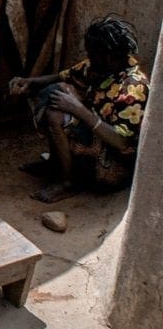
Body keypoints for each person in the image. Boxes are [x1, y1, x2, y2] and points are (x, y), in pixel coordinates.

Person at [10, 15, 149, 203]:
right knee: (56, 92)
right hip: (96, 137)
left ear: (107, 55)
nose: (89, 58)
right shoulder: (99, 67)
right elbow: (62, 77)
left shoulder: (133, 87)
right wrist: (29, 82)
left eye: (92, 54)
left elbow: (122, 143)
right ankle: (55, 164)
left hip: (112, 166)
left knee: (57, 112)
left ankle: (69, 182)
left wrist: (78, 110)